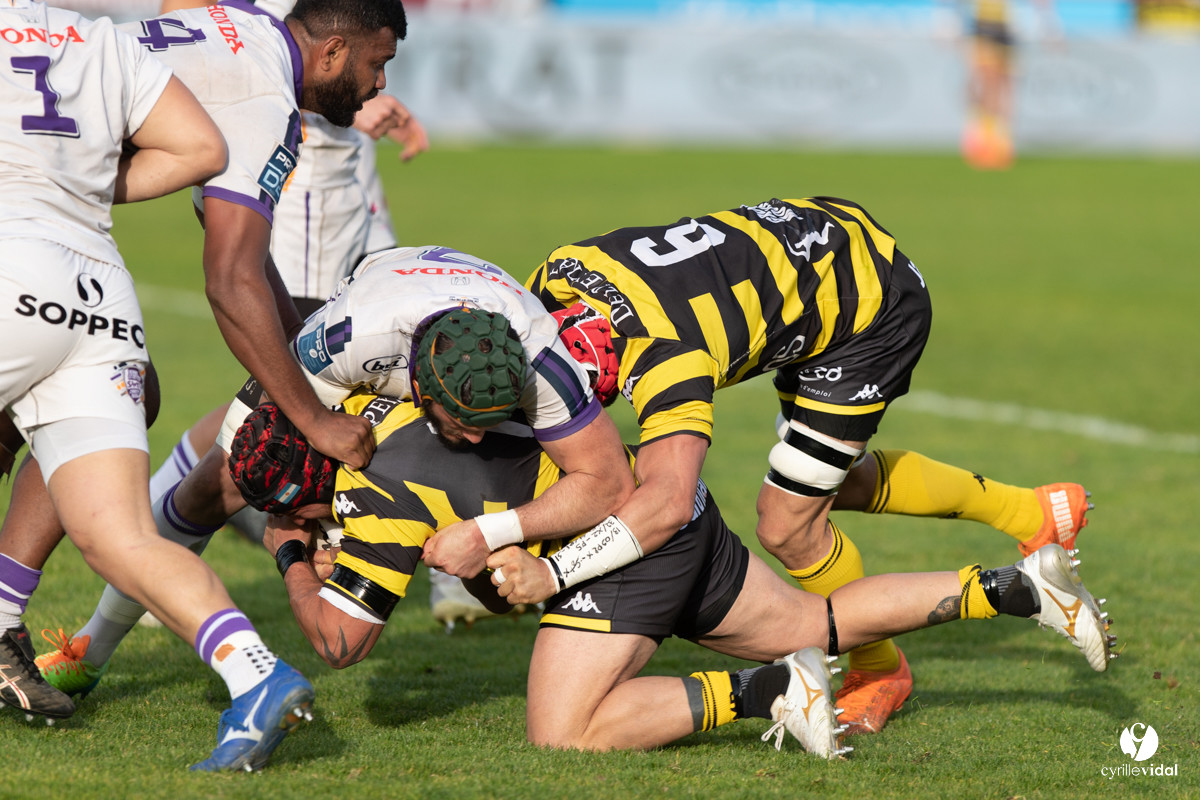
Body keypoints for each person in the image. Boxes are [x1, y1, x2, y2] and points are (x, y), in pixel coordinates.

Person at [419, 194, 1096, 737]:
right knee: (830, 479)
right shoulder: (554, 282)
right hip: (813, 239)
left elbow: (666, 504)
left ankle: (880, 669)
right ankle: (1033, 512)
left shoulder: (667, 360)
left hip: (867, 307)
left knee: (789, 524)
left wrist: (551, 570)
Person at [239, 394, 1113, 757]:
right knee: (822, 623)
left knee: (563, 730)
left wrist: (287, 554)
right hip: (672, 511)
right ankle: (1017, 586)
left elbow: (342, 644)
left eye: (292, 508)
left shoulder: (370, 501)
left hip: (618, 553)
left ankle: (769, 692)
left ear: (303, 489)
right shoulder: (368, 403)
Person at [37, 245, 634, 695]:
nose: (479, 435)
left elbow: (608, 480)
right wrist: (306, 501)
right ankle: (90, 649)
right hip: (371, 309)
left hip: (458, 315)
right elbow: (258, 427)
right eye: (465, 421)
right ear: (419, 389)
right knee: (214, 487)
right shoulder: (350, 340)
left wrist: (488, 536)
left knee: (448, 488)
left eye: (493, 419)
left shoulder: (537, 355)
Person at [0, 0, 319, 772]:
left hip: (9, 265)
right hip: (98, 295)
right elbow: (202, 148)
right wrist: (82, 189)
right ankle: (257, 676)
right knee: (124, 538)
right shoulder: (101, 40)